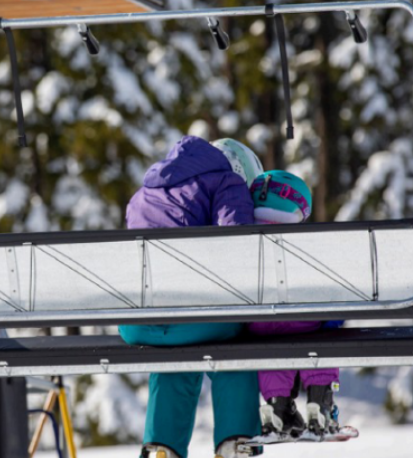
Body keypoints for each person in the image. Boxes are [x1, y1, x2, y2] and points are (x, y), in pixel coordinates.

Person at [118, 136, 265, 458]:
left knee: (176, 356)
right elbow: (237, 245)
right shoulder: (227, 181)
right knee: (236, 346)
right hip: (194, 318)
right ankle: (235, 443)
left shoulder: (145, 191)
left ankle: (162, 448)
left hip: (137, 323)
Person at [245, 170, 341, 440]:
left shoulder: (244, 243)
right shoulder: (307, 244)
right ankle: (320, 403)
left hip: (258, 325)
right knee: (324, 336)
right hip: (308, 324)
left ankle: (278, 406)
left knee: (270, 341)